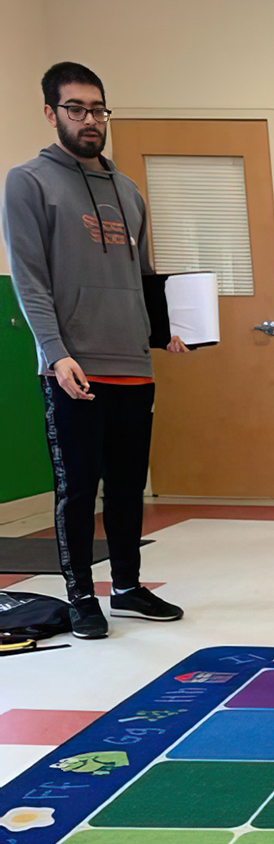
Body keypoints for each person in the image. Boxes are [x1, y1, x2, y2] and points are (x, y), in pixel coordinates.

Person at [3, 62, 188, 640]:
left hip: (132, 364)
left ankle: (129, 587)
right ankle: (81, 595)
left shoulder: (128, 191)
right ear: (51, 113)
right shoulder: (28, 182)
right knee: (78, 488)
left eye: (97, 109)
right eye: (76, 109)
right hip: (73, 367)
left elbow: (140, 274)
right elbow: (28, 278)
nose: (89, 120)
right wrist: (55, 353)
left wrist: (165, 329)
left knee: (128, 484)